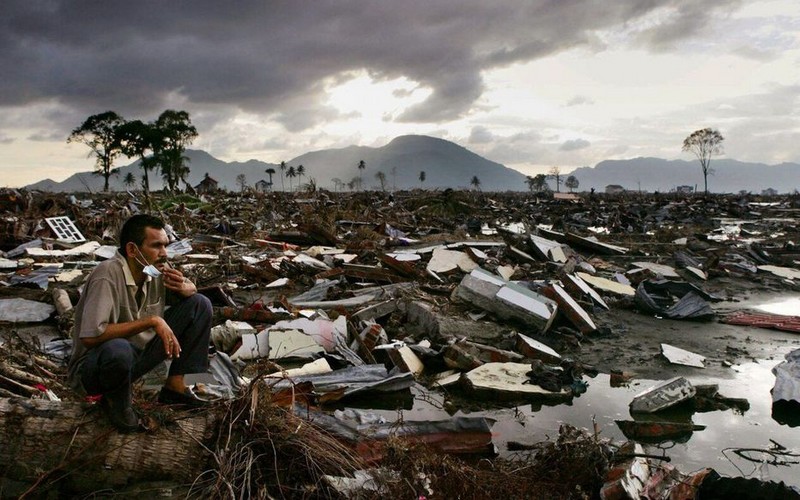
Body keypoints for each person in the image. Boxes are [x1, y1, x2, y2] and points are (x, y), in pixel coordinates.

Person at [67, 214, 213, 432]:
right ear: (132, 250)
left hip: (135, 360)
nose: (164, 253)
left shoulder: (151, 270)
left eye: (165, 245)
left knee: (200, 304)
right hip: (96, 369)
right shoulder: (107, 274)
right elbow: (91, 336)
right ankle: (116, 402)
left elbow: (190, 294)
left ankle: (177, 387)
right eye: (156, 246)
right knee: (118, 348)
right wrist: (152, 321)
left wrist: (188, 288)